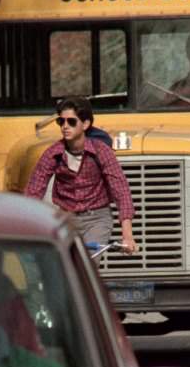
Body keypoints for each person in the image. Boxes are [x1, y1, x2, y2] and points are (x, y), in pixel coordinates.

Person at [25, 96, 138, 254]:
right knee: (67, 267)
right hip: (66, 219)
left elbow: (120, 189)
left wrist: (127, 235)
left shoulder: (101, 150)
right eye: (61, 122)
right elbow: (35, 189)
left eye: (71, 122)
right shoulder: (53, 154)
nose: (65, 126)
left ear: (85, 124)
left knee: (88, 263)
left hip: (97, 219)